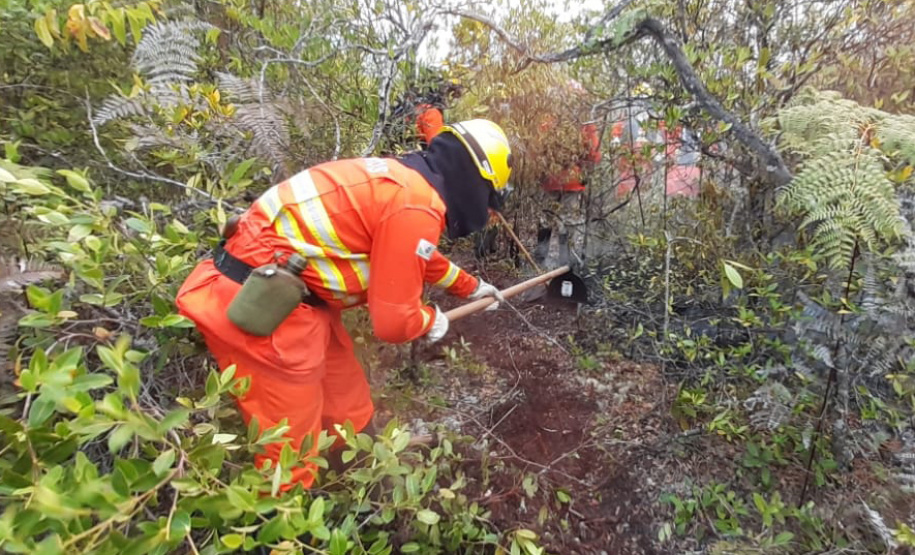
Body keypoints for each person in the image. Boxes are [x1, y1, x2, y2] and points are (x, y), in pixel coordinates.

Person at [175, 119, 512, 489]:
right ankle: (286, 532)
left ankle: (358, 488)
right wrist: (429, 320)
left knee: (349, 407)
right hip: (262, 308)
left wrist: (472, 287)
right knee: (288, 455)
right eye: (488, 198)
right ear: (474, 179)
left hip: (300, 304)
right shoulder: (416, 204)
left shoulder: (406, 185)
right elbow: (393, 323)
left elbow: (420, 255)